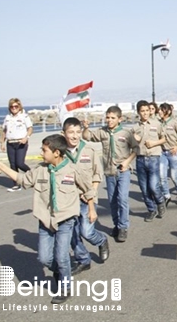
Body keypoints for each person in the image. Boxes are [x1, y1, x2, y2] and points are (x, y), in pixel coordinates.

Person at [0, 134, 94, 304]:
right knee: (44, 258)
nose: (41, 153)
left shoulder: (73, 170)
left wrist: (91, 209)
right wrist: (1, 166)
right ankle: (62, 272)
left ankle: (65, 286)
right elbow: (22, 180)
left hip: (65, 220)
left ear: (56, 153)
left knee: (62, 257)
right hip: (45, 220)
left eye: (44, 150)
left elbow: (88, 190)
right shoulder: (40, 169)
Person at [82, 106, 138, 243]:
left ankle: (123, 227)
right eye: (107, 117)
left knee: (122, 199)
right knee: (113, 201)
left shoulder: (126, 133)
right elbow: (87, 137)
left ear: (120, 119)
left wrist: (127, 161)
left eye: (113, 118)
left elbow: (136, 148)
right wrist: (85, 128)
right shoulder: (102, 132)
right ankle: (117, 225)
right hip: (109, 172)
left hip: (123, 171)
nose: (109, 120)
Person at [62, 117, 108, 277]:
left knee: (87, 232)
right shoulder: (60, 152)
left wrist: (92, 193)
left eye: (77, 132)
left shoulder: (89, 150)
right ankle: (83, 260)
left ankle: (101, 241)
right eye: (71, 132)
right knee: (72, 233)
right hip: (68, 200)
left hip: (87, 199)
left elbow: (97, 173)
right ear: (64, 133)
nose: (74, 136)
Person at [132, 100, 166, 222]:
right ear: (138, 112)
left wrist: (154, 143)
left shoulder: (156, 124)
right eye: (142, 111)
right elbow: (131, 145)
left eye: (147, 110)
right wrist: (134, 139)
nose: (145, 113)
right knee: (144, 188)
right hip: (140, 159)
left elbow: (164, 139)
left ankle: (160, 201)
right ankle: (151, 210)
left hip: (153, 158)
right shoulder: (135, 127)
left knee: (153, 186)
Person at [0, 98, 33, 191]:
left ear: (19, 106)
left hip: (20, 142)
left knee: (20, 163)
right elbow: (4, 130)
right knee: (13, 165)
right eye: (12, 106)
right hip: (10, 143)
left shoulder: (24, 116)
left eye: (16, 106)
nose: (14, 108)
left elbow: (30, 128)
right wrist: (2, 142)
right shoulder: (7, 118)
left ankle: (32, 175)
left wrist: (26, 138)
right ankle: (16, 184)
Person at [157, 103, 177, 205]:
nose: (159, 111)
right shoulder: (158, 123)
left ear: (168, 111)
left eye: (162, 110)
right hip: (162, 153)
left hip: (173, 153)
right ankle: (166, 195)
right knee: (162, 176)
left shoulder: (174, 123)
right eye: (159, 110)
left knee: (174, 176)